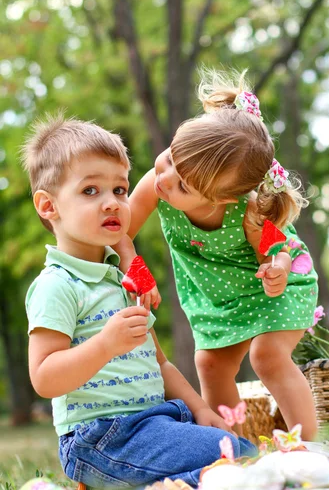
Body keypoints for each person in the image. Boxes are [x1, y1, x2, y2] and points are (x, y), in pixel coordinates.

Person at [21, 115, 256, 490]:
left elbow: (159, 362)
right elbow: (45, 377)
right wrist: (104, 345)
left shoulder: (122, 278)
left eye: (119, 189)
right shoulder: (57, 284)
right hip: (102, 437)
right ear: (49, 206)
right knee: (235, 454)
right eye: (90, 191)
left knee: (234, 453)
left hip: (153, 423)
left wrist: (199, 409)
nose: (112, 203)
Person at [117, 69, 319, 441]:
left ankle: (310, 445)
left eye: (181, 184)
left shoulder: (249, 210)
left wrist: (277, 271)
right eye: (170, 158)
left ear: (222, 199)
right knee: (210, 363)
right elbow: (119, 234)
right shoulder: (155, 183)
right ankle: (235, 448)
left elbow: (279, 252)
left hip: (273, 291)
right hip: (219, 298)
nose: (164, 177)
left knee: (267, 357)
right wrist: (135, 266)